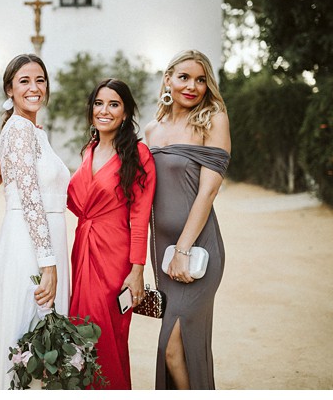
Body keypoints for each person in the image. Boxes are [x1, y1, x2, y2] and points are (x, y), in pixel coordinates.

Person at [0, 54, 72, 389]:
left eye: (40, 80)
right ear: (10, 89)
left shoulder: (34, 131)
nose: (35, 88)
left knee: (44, 343)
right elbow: (31, 199)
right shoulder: (18, 129)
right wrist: (47, 264)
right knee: (27, 336)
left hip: (47, 240)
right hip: (30, 247)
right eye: (25, 81)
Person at [144, 50, 232, 389]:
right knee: (181, 344)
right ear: (168, 79)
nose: (192, 86)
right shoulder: (152, 130)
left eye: (200, 80)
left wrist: (183, 248)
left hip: (197, 251)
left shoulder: (213, 120)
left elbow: (208, 192)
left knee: (173, 345)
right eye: (184, 77)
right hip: (162, 251)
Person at [67, 78, 156, 390]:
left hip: (114, 258)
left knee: (107, 338)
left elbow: (140, 217)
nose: (104, 110)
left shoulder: (138, 154)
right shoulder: (88, 150)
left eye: (113, 104)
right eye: (99, 103)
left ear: (126, 112)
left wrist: (137, 270)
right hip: (82, 251)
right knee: (79, 334)